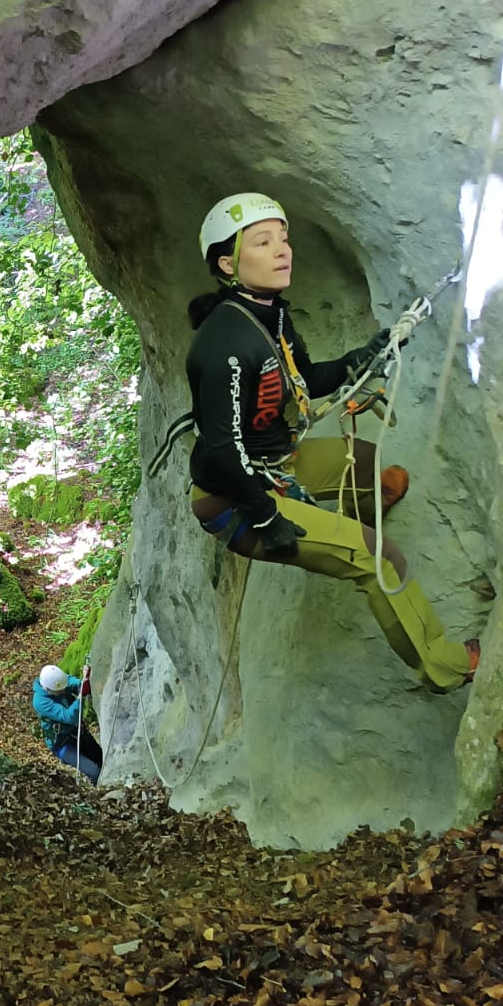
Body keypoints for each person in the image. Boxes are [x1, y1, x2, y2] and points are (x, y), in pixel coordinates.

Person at [181, 192, 478, 692]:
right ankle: (445, 667)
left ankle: (368, 501)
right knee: (379, 557)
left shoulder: (268, 314)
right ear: (229, 263)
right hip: (236, 498)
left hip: (275, 463)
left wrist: (360, 358)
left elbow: (309, 378)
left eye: (284, 237)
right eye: (263, 241)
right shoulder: (224, 344)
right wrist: (267, 516)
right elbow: (220, 452)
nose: (283, 250)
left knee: (363, 462)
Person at [32, 663, 103, 782]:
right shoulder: (40, 702)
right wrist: (81, 697)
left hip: (78, 733)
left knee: (102, 760)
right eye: (60, 690)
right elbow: (68, 717)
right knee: (94, 772)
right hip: (62, 745)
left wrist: (84, 682)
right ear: (48, 689)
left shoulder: (59, 681)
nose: (63, 691)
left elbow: (72, 683)